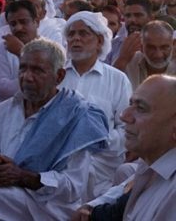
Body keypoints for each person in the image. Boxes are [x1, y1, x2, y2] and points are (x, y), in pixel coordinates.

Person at [0, 39, 109, 221]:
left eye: (37, 70)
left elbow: (72, 187)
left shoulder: (75, 116)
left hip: (48, 206)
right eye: (23, 68)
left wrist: (24, 177)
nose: (27, 77)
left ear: (59, 76)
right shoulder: (1, 113)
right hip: (1, 195)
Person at [72, 75, 176, 221]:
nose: (124, 115)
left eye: (141, 108)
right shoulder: (151, 166)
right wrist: (92, 207)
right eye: (130, 104)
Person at [59, 12, 131, 197]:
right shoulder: (56, 75)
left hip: (101, 173)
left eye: (83, 34)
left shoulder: (117, 79)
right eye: (71, 34)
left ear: (99, 41)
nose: (75, 39)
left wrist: (97, 142)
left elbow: (127, 128)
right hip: (57, 169)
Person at [0, 0, 40, 102]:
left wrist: (22, 53)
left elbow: (49, 84)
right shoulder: (2, 49)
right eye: (13, 24)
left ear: (36, 22)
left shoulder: (50, 49)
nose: (18, 28)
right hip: (9, 111)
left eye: (23, 22)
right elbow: (2, 88)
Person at [124, 21, 176, 90]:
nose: (158, 55)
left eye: (164, 47)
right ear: (141, 46)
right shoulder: (129, 61)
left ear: (173, 44)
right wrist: (122, 60)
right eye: (151, 48)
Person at [109, 0, 154, 67]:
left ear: (150, 18)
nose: (132, 20)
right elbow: (105, 76)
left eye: (138, 15)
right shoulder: (114, 45)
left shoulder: (162, 46)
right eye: (128, 15)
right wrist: (123, 58)